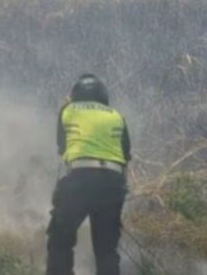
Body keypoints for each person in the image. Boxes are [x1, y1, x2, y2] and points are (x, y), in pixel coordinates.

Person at [46, 74, 131, 275]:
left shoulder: (68, 110)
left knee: (60, 240)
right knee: (106, 250)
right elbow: (126, 153)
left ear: (76, 94)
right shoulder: (116, 115)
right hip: (112, 182)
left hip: (80, 179)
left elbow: (62, 145)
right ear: (103, 96)